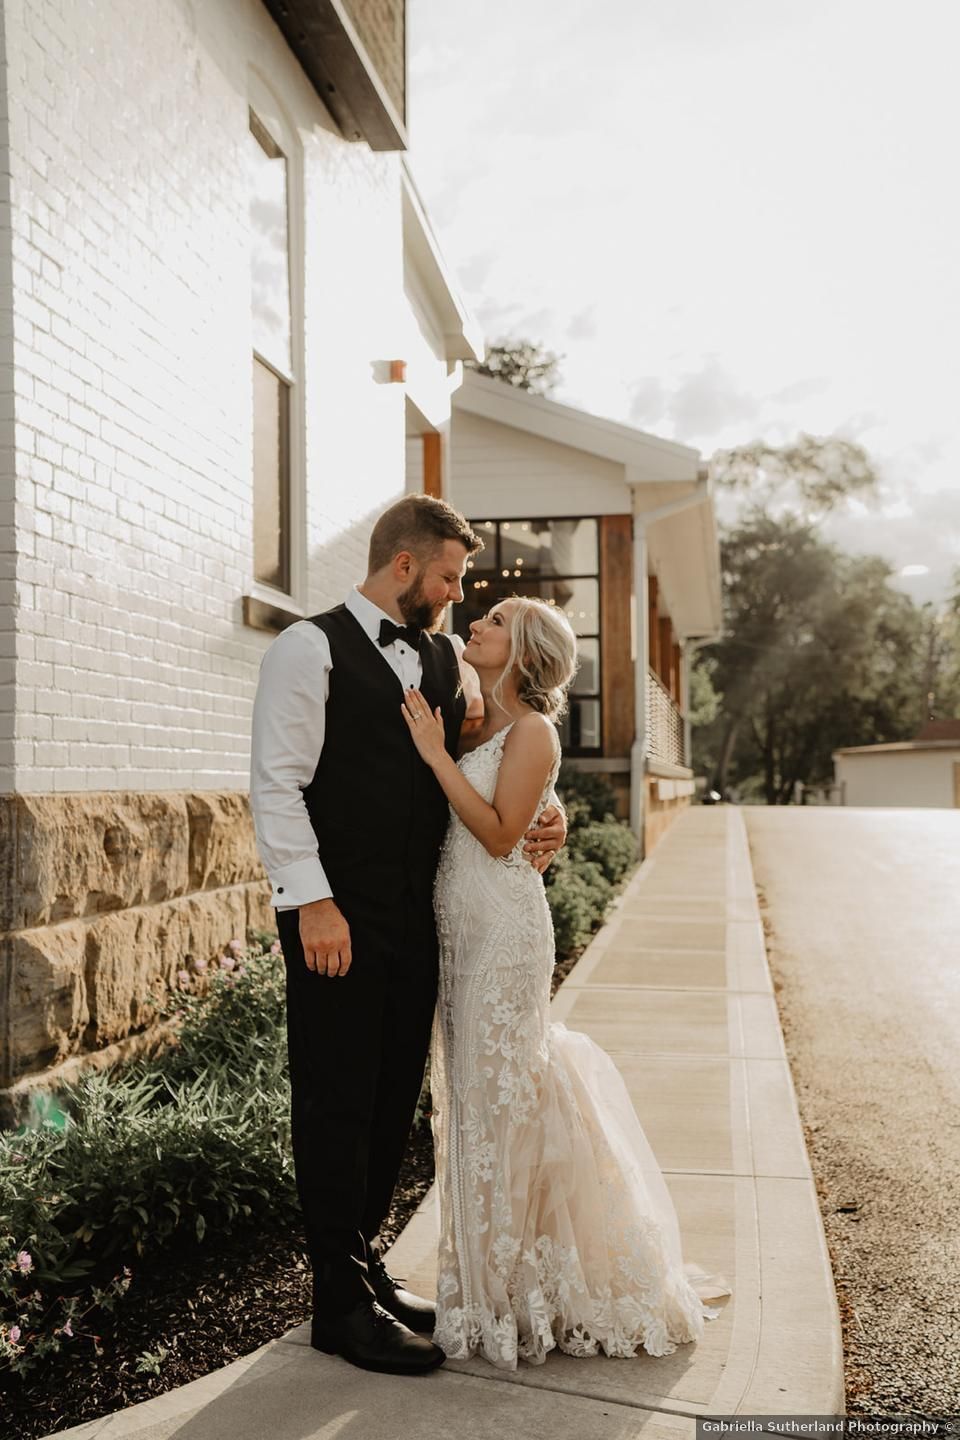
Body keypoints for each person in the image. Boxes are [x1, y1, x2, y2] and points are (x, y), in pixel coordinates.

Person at [249, 496, 567, 1378]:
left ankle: (365, 1269)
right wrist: (311, 902)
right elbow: (275, 785)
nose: (457, 595)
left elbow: (504, 749)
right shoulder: (306, 647)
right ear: (404, 569)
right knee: (336, 1096)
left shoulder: (440, 661)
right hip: (335, 914)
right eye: (451, 578)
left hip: (420, 915)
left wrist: (554, 816)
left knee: (391, 1098)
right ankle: (336, 1306)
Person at [401, 596, 727, 1370]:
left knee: (507, 1098)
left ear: (523, 651)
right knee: (474, 1100)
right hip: (458, 928)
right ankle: (488, 1280)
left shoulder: (533, 728)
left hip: (507, 934)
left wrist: (435, 755)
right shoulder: (468, 708)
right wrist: (457, 751)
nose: (476, 621)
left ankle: (515, 1293)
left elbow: (503, 831)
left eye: (496, 620)